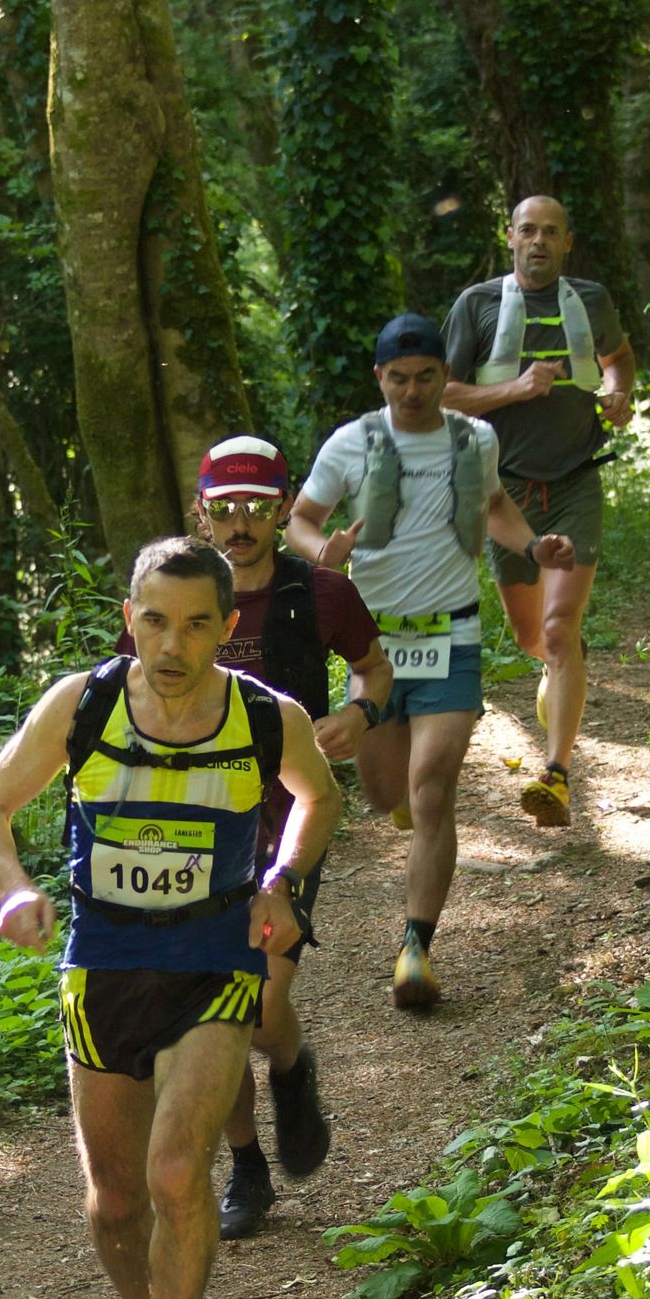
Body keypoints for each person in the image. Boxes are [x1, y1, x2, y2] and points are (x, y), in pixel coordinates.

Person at [0, 537, 341, 1299]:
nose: (173, 645)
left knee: (176, 1171)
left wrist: (282, 881)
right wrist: (11, 888)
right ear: (130, 618)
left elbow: (319, 798)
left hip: (215, 957)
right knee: (117, 1197)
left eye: (198, 624)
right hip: (104, 961)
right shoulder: (84, 703)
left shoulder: (265, 716)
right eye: (157, 622)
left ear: (227, 625)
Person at [287, 314, 575, 1012]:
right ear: (379, 378)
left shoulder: (474, 438)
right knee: (385, 792)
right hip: (374, 648)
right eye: (398, 379)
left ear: (445, 376)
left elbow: (495, 504)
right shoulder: (351, 443)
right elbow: (299, 518)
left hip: (453, 636)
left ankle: (416, 948)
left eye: (425, 378)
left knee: (431, 790)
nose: (412, 391)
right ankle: (406, 815)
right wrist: (322, 552)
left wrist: (532, 546)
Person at [191, 433, 393, 1241]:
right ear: (201, 514)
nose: (240, 524)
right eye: (225, 509)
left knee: (261, 1004)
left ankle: (289, 1063)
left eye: (256, 507)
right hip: (191, 829)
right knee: (213, 1009)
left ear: (282, 510)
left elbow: (375, 669)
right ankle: (246, 1165)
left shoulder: (323, 594)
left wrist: (358, 713)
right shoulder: (173, 593)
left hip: (288, 822)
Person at [441, 194, 635, 830]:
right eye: (528, 230)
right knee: (533, 638)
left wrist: (617, 392)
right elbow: (442, 394)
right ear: (510, 237)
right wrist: (516, 388)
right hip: (505, 493)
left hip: (576, 481)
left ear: (568, 241)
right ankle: (559, 665)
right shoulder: (477, 305)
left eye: (552, 231)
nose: (539, 241)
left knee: (558, 628)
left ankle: (556, 774)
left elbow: (618, 358)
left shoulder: (591, 301)